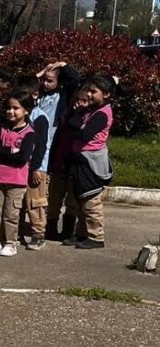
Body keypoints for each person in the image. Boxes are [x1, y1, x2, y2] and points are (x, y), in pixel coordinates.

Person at [63, 74, 115, 249]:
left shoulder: (102, 114)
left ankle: (96, 236)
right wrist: (78, 116)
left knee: (91, 200)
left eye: (94, 91)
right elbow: (70, 124)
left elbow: (84, 134)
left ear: (106, 94)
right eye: (88, 90)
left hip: (91, 162)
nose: (89, 95)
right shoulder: (89, 111)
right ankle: (81, 233)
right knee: (79, 200)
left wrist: (77, 122)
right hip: (79, 159)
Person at [0, 89, 37, 257]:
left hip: (16, 180)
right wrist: (10, 151)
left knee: (11, 213)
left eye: (16, 108)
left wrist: (4, 153)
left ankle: (10, 242)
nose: (11, 111)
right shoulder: (1, 129)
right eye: (9, 108)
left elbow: (22, 158)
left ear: (26, 110)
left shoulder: (29, 133)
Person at [47, 87, 90, 241]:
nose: (79, 104)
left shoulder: (86, 120)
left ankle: (67, 231)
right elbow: (57, 140)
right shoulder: (65, 117)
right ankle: (50, 228)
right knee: (54, 200)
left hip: (75, 167)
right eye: (77, 100)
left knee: (72, 202)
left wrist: (78, 115)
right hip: (59, 163)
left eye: (84, 101)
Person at [14, 76, 50, 250]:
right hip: (20, 165)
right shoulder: (19, 115)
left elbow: (41, 145)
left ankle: (38, 234)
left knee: (35, 201)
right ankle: (16, 232)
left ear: (35, 95)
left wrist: (35, 167)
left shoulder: (39, 117)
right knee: (18, 201)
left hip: (36, 167)